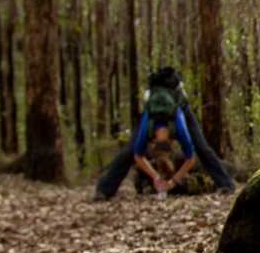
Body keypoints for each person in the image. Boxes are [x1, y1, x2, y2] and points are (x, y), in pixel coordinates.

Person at [93, 67, 235, 200]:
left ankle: (226, 184)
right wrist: (156, 177)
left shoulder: (180, 125)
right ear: (153, 137)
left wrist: (173, 181)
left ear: (171, 140)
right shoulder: (147, 125)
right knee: (129, 150)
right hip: (153, 110)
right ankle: (104, 190)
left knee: (202, 147)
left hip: (181, 108)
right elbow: (137, 155)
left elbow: (190, 158)